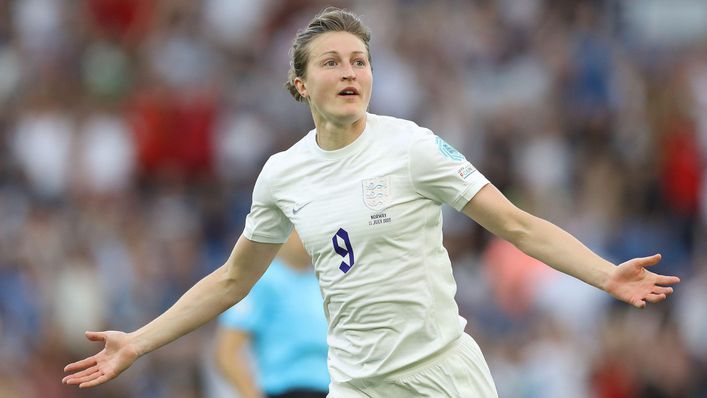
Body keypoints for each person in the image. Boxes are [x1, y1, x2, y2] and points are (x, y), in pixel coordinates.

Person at [63, 7, 681, 397]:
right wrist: (138, 341)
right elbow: (231, 281)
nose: (350, 70)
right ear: (301, 84)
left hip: (444, 375)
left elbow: (516, 226)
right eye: (332, 62)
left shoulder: (412, 147)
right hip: (358, 385)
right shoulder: (283, 175)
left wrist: (605, 274)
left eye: (359, 60)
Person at [215, 232, 329, 398]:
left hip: (331, 389)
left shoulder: (322, 281)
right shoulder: (262, 280)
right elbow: (227, 353)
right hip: (287, 390)